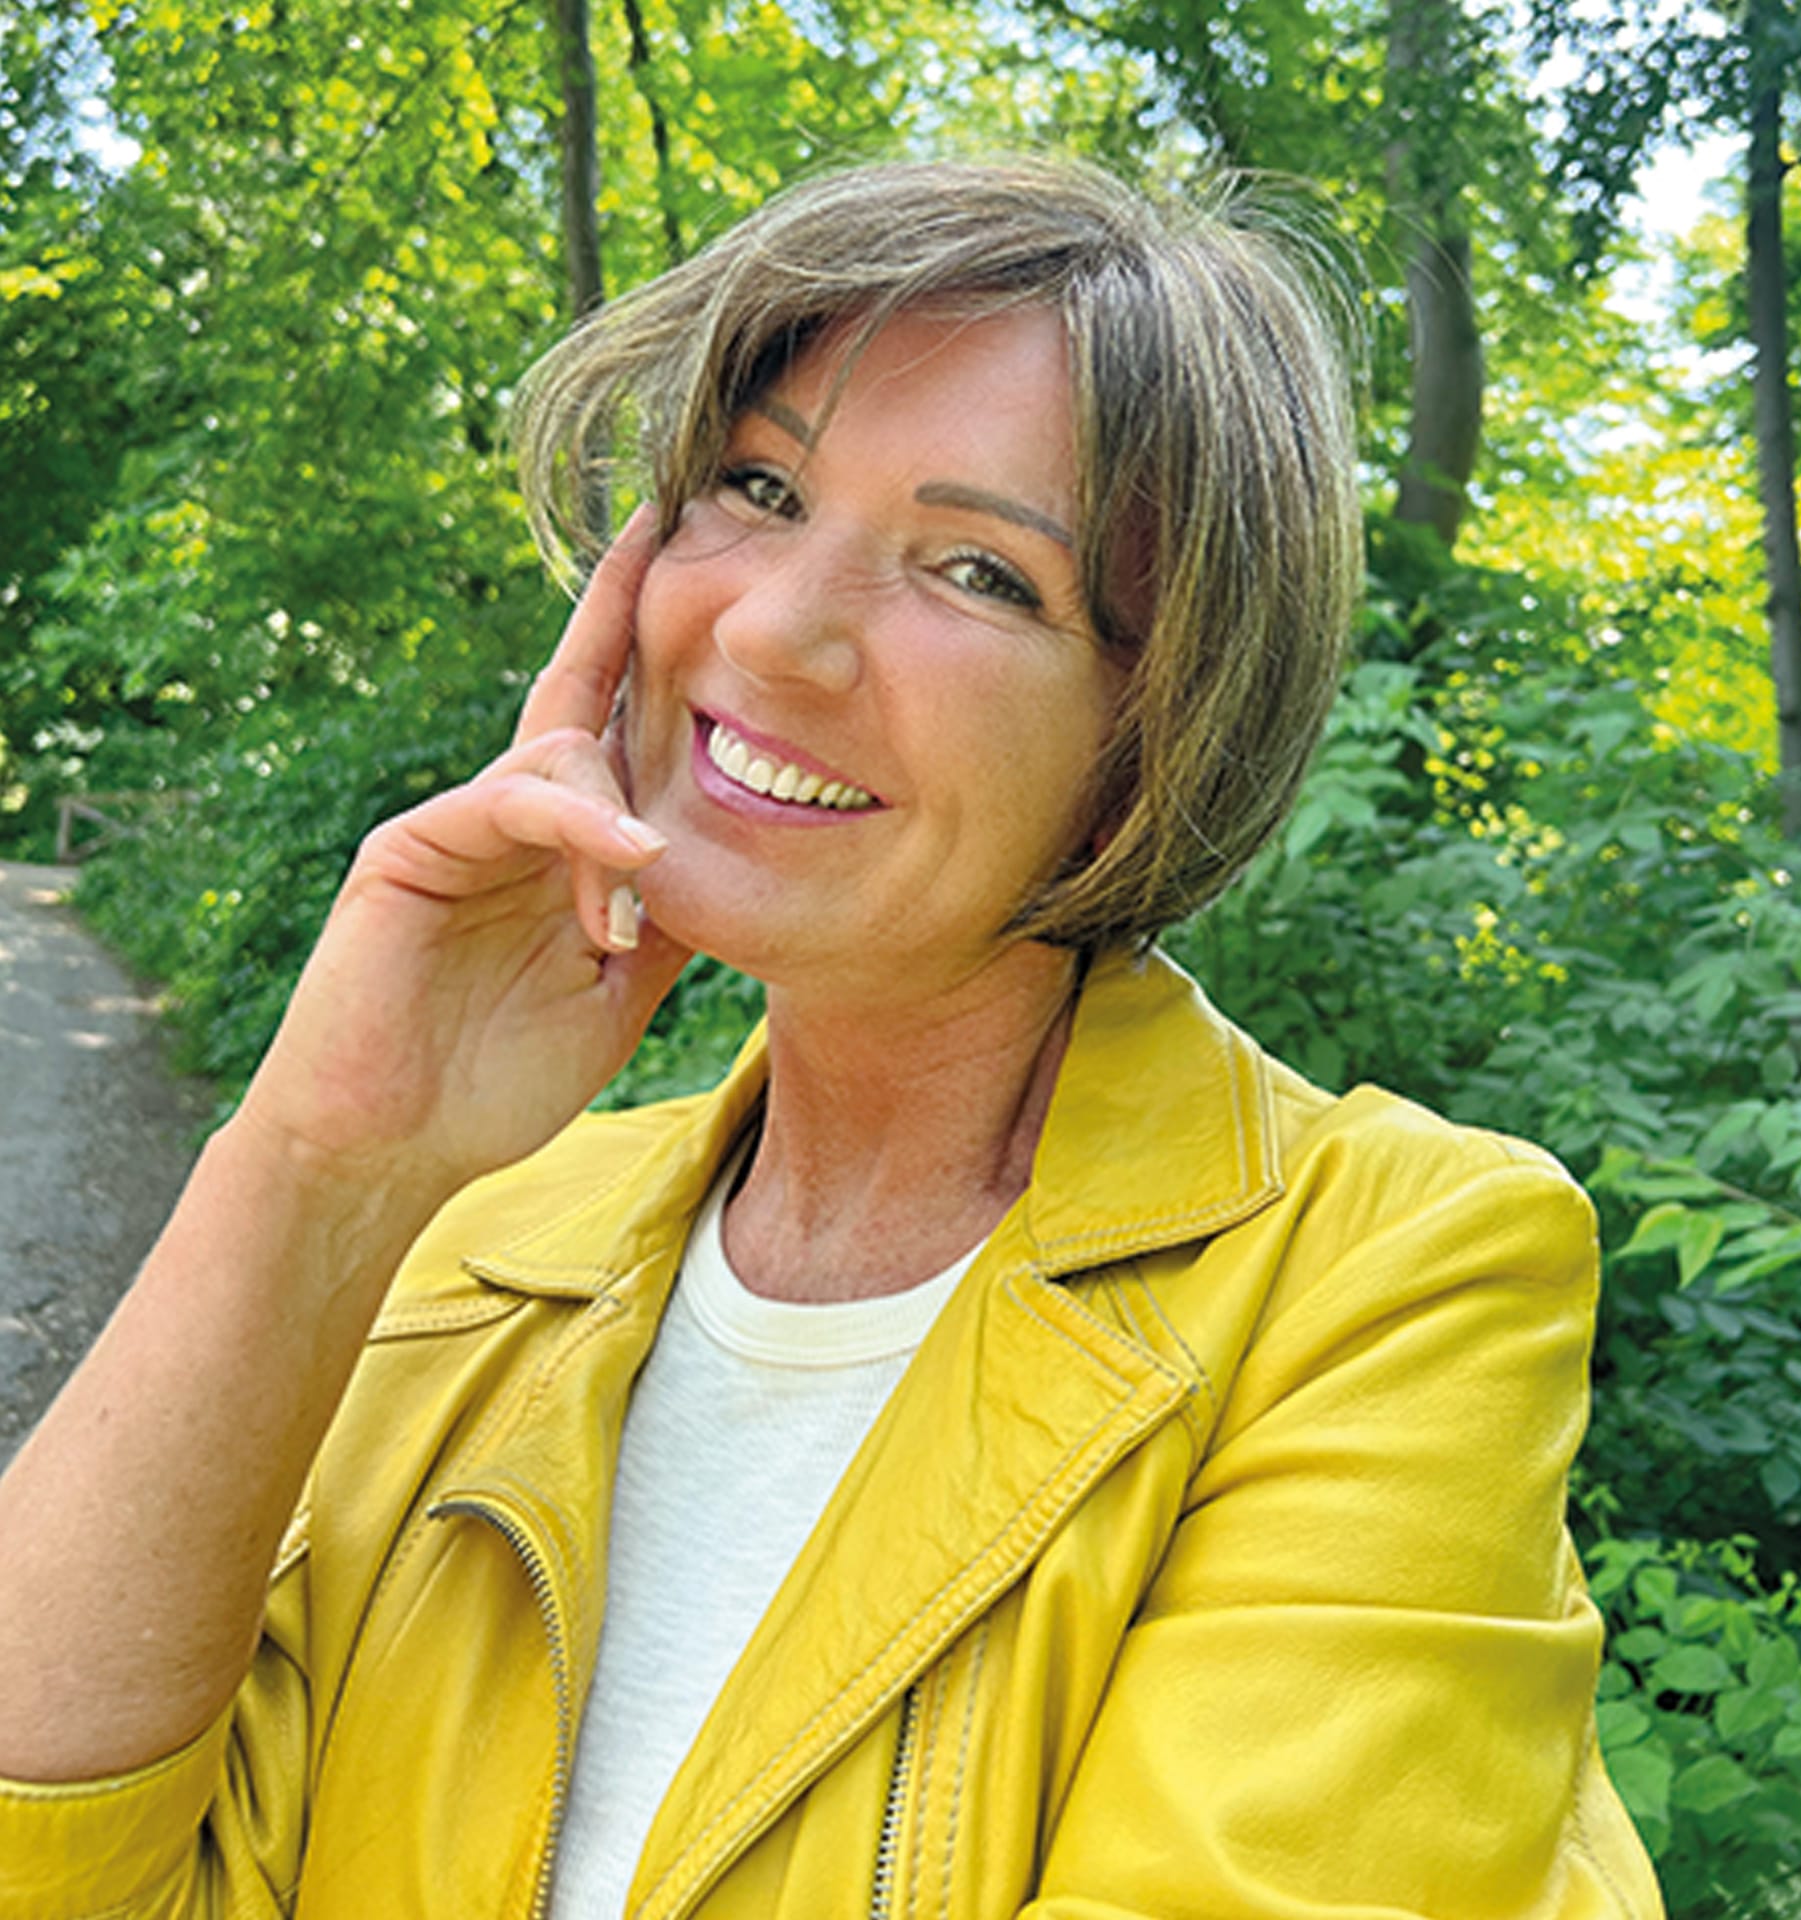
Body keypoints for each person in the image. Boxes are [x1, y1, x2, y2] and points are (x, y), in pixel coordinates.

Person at [0, 157, 1663, 1919]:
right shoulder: (492, 1242)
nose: (777, 628)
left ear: (1157, 736)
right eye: (760, 485)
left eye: (980, 572)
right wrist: (324, 1162)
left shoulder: (1387, 1276)